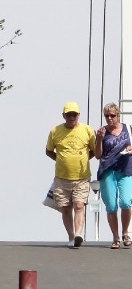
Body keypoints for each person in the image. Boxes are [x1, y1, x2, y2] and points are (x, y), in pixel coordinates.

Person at [45, 101, 96, 248]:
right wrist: (60, 160)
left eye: (74, 114)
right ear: (64, 115)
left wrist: (85, 159)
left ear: (78, 115)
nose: (71, 117)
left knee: (79, 205)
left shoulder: (87, 130)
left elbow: (94, 150)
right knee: (66, 208)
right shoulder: (55, 131)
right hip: (62, 178)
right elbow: (48, 151)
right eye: (69, 114)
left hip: (82, 176)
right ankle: (71, 236)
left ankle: (79, 233)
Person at [94, 102, 132, 249]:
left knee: (125, 201)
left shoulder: (127, 128)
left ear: (118, 115)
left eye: (112, 115)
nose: (109, 118)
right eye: (107, 116)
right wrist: (99, 139)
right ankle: (116, 237)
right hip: (108, 170)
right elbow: (98, 155)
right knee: (111, 206)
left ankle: (125, 232)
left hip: (126, 169)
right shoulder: (102, 132)